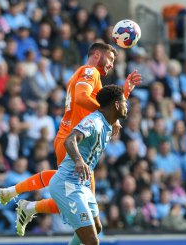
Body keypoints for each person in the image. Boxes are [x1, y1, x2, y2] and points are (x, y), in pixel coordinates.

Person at [0, 43, 141, 234]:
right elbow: (82, 98)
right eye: (111, 59)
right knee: (74, 195)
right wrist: (108, 115)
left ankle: (27, 205)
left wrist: (125, 93)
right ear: (97, 54)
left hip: (75, 138)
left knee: (74, 201)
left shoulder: (88, 75)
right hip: (73, 139)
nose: (112, 65)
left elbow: (108, 103)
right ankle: (16, 194)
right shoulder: (90, 71)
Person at [41, 85, 127, 245]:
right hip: (67, 184)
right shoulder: (94, 122)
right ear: (116, 105)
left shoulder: (107, 122)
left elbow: (112, 112)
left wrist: (115, 120)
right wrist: (79, 160)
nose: (126, 106)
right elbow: (70, 139)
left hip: (81, 184)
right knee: (92, 241)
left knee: (97, 227)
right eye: (124, 103)